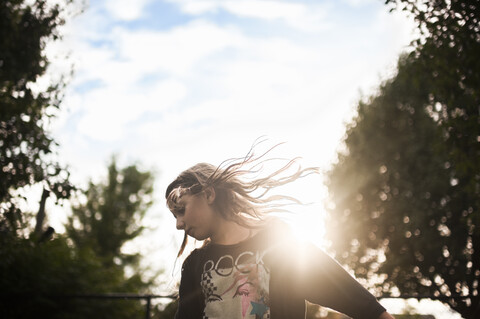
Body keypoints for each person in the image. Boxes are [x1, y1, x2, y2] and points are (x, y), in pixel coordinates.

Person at [165, 147, 395, 319]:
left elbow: (340, 289)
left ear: (208, 194)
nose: (179, 224)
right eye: (175, 217)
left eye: (181, 210)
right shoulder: (195, 265)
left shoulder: (277, 240)